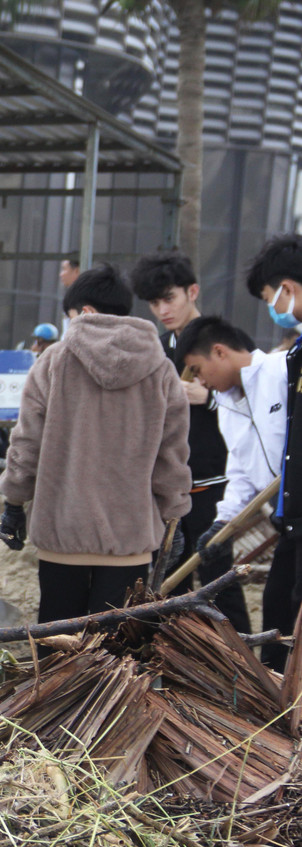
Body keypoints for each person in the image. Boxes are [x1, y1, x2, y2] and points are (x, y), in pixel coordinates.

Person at [0, 264, 191, 626]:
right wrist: (173, 516)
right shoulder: (161, 370)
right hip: (130, 538)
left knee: (59, 644)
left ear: (85, 312)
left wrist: (13, 502)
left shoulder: (53, 362)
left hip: (62, 532)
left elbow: (27, 443)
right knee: (117, 648)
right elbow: (172, 455)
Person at [129, 252, 250, 630]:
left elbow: (257, 406)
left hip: (214, 483)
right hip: (167, 487)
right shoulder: (156, 350)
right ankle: (178, 656)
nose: (163, 310)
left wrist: (209, 399)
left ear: (192, 292)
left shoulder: (225, 342)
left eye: (170, 299)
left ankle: (240, 655)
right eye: (154, 303)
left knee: (219, 577)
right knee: (167, 582)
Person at [178, 317, 285, 642]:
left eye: (198, 369)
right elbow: (240, 468)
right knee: (278, 605)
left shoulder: (281, 371)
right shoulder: (226, 402)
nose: (200, 380)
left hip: (294, 502)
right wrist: (222, 523)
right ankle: (271, 674)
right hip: (284, 517)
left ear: (220, 352)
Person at [245, 233, 302, 668]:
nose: (274, 307)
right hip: (294, 517)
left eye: (270, 298)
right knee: (281, 602)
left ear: (287, 288)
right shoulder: (297, 352)